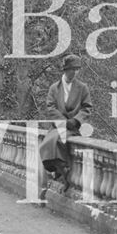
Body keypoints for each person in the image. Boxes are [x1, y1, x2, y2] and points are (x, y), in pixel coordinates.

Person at [38, 54, 92, 195]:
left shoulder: (82, 88)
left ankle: (64, 174)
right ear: (65, 70)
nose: (75, 72)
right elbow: (50, 108)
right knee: (47, 144)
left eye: (77, 69)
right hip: (58, 126)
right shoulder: (54, 88)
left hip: (73, 128)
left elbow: (87, 108)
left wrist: (76, 120)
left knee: (59, 141)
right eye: (72, 69)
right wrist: (63, 121)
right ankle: (63, 170)